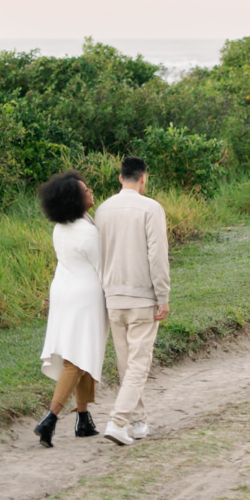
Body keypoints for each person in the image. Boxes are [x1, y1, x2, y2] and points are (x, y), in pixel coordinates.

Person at [94, 155, 170, 447]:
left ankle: (137, 422)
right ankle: (118, 420)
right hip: (141, 297)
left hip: (113, 296)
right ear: (144, 178)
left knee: (127, 362)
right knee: (138, 364)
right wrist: (162, 296)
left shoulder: (103, 210)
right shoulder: (151, 208)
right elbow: (157, 255)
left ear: (119, 177)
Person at [34, 170, 108, 447]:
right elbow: (104, 270)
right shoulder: (88, 232)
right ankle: (50, 418)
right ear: (74, 199)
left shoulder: (62, 226)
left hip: (64, 291)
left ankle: (84, 418)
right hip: (84, 296)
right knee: (77, 359)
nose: (91, 191)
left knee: (84, 352)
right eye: (85, 189)